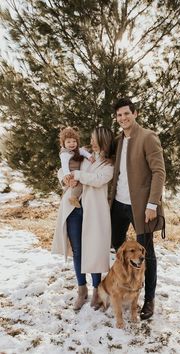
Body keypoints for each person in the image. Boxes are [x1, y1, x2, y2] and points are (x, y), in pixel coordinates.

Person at [110, 98, 166, 320]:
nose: (123, 118)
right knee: (118, 246)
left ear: (135, 114)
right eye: (119, 115)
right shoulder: (118, 140)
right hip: (119, 204)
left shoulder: (148, 137)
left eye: (126, 113)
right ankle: (127, 285)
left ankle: (149, 298)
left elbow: (159, 172)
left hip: (142, 207)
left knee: (147, 253)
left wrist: (152, 204)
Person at [52, 127, 115, 310]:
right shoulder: (84, 155)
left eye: (95, 139)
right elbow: (63, 169)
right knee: (78, 251)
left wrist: (78, 175)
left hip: (93, 212)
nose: (92, 142)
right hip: (74, 208)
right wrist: (65, 179)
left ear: (104, 141)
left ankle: (97, 290)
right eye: (91, 139)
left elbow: (97, 179)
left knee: (93, 250)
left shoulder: (109, 164)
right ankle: (82, 290)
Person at [59, 126, 94, 208]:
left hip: (76, 172)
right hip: (71, 172)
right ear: (63, 144)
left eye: (74, 141)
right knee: (77, 185)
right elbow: (63, 165)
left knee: (76, 184)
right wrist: (67, 174)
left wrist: (90, 157)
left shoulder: (78, 150)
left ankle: (71, 197)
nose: (72, 144)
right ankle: (73, 198)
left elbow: (84, 152)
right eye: (68, 142)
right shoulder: (65, 153)